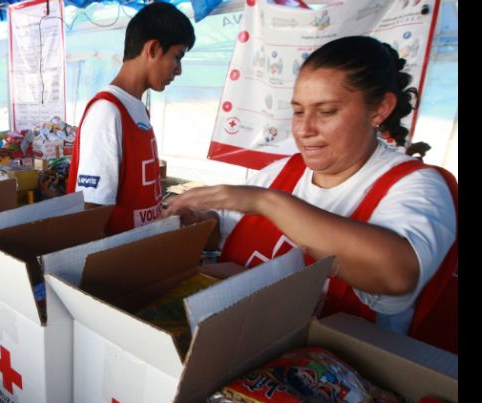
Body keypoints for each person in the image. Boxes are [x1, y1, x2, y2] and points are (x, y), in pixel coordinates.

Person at [164, 36, 457, 352]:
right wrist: (195, 220)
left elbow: (396, 274)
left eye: (327, 111)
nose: (304, 129)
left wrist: (267, 202)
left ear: (380, 110)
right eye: (298, 111)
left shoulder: (419, 187)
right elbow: (222, 228)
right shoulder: (282, 171)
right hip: (233, 350)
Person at [66, 1, 195, 234]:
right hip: (118, 263)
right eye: (177, 56)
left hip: (140, 254)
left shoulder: (137, 110)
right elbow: (90, 210)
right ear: (153, 49)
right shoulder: (108, 111)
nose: (179, 70)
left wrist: (163, 213)